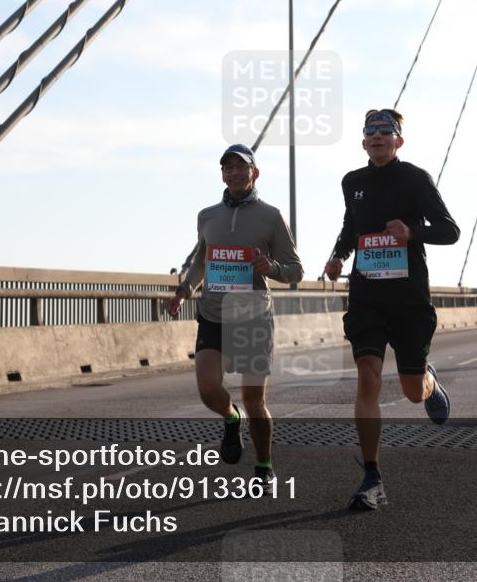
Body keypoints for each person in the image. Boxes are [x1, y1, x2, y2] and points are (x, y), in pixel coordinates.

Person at [324, 108, 460, 511]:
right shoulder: (353, 182)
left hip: (408, 299)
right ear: (364, 141)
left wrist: (412, 232)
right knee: (367, 376)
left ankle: (429, 382)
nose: (378, 137)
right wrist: (337, 257)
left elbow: (450, 230)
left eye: (386, 132)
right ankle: (371, 476)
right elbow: (352, 228)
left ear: (398, 140)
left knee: (411, 392)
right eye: (371, 132)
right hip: (366, 294)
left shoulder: (416, 179)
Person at [165, 144, 303, 483]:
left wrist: (270, 267)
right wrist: (185, 290)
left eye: (241, 167)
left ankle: (264, 468)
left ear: (254, 172)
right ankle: (230, 418)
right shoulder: (207, 216)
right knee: (207, 387)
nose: (234, 173)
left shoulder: (271, 216)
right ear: (222, 174)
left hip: (253, 316)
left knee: (254, 400)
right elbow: (201, 261)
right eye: (227, 168)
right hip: (212, 312)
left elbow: (295, 270)